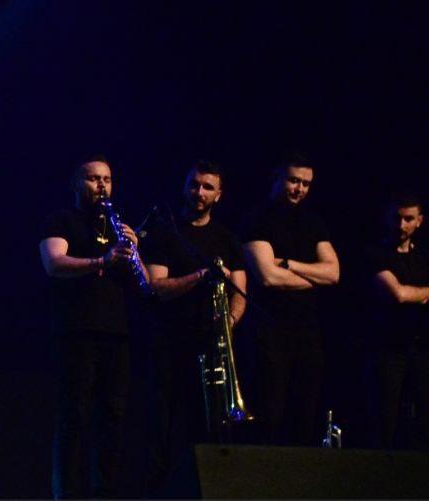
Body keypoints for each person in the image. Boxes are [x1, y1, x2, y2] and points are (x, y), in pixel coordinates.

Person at [38, 155, 144, 499]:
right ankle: (67, 492)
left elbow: (143, 282)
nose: (101, 186)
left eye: (107, 179)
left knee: (113, 413)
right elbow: (54, 263)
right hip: (76, 330)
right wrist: (103, 259)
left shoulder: (117, 227)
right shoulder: (61, 220)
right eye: (93, 179)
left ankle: (105, 490)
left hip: (116, 332)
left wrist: (134, 250)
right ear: (76, 184)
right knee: (75, 414)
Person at [142, 160, 246, 491]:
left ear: (219, 195)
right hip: (170, 342)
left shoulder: (228, 239)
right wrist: (201, 276)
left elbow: (240, 292)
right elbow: (157, 286)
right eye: (194, 185)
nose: (199, 192)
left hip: (210, 344)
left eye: (207, 187)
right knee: (164, 423)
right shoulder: (165, 233)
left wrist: (228, 324)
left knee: (206, 423)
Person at [240, 155, 339, 445]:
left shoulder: (314, 223)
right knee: (270, 410)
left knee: (304, 412)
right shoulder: (257, 219)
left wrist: (289, 264)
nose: (300, 189)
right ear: (277, 179)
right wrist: (313, 278)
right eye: (294, 181)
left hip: (307, 332)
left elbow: (333, 273)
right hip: (268, 331)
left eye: (306, 183)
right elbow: (268, 277)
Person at [364, 194, 429, 450]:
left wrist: (418, 294)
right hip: (387, 348)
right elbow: (398, 294)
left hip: (421, 349)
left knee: (423, 421)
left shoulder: (426, 258)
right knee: (385, 421)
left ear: (419, 221)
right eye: (396, 218)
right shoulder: (376, 254)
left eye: (408, 219)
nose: (401, 225)